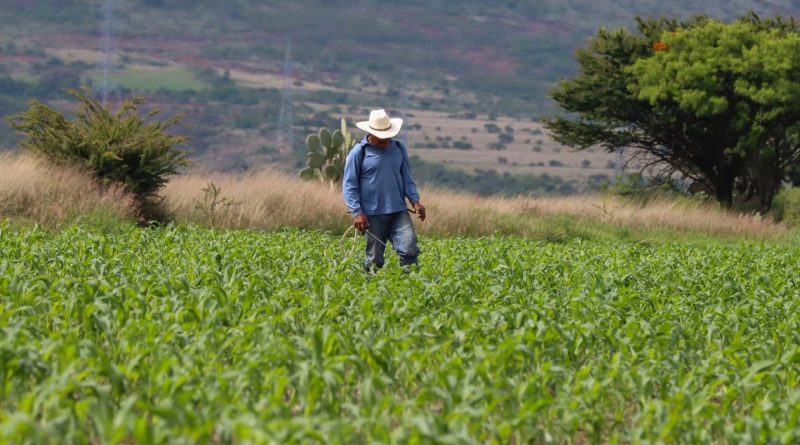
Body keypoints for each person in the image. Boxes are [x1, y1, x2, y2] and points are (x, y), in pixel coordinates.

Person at [343, 109, 427, 271]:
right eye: (381, 137)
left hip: (398, 211)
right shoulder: (359, 153)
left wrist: (415, 201)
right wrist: (357, 213)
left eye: (387, 136)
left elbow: (407, 178)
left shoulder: (398, 149)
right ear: (370, 133)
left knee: (409, 249)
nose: (385, 140)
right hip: (372, 215)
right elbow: (349, 185)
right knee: (375, 259)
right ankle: (369, 289)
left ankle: (411, 288)